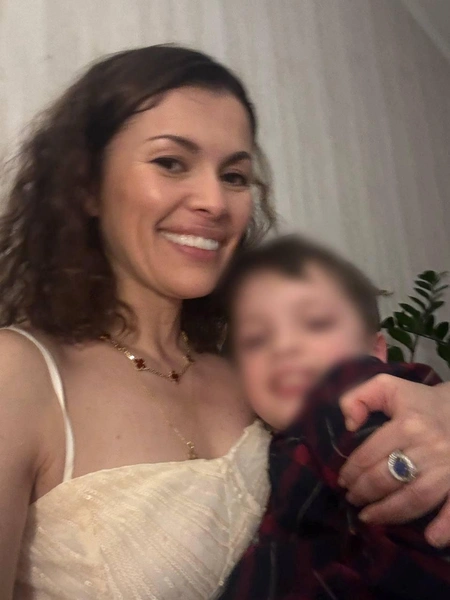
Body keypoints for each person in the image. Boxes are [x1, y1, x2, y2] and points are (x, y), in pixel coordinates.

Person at [0, 45, 449, 600]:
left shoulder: (259, 377)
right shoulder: (20, 375)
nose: (215, 201)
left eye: (234, 175)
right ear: (85, 186)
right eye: (171, 163)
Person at [219, 234, 450, 598]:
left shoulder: (352, 399)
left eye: (315, 323)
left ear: (375, 351)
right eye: (256, 339)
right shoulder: (280, 453)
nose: (284, 347)